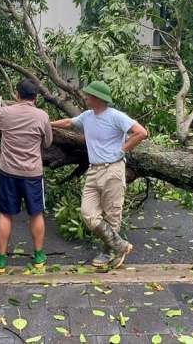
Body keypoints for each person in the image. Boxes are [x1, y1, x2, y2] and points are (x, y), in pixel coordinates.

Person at [51, 80, 148, 269]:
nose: (86, 97)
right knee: (88, 214)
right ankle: (119, 245)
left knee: (112, 214)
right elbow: (69, 122)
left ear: (98, 98)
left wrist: (122, 150)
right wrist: (46, 123)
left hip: (113, 169)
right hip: (94, 170)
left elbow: (141, 132)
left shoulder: (116, 116)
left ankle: (107, 252)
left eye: (89, 95)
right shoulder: (87, 116)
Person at [0, 79, 53, 274]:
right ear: (36, 97)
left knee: (5, 214)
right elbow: (48, 142)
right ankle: (39, 257)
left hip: (8, 172)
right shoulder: (42, 116)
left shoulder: (6, 113)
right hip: (32, 173)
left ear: (17, 95)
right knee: (36, 213)